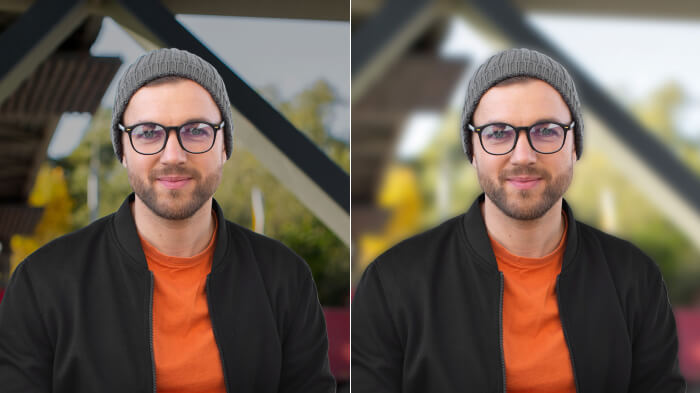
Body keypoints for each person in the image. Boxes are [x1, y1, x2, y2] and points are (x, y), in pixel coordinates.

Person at [0, 48, 335, 393]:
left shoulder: (284, 278)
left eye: (196, 130)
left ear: (224, 145)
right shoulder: (43, 283)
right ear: (123, 149)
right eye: (148, 132)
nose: (173, 155)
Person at [351, 48, 685, 392]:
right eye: (498, 133)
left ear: (574, 145)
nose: (523, 156)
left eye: (546, 130)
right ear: (473, 148)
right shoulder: (393, 282)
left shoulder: (634, 278)